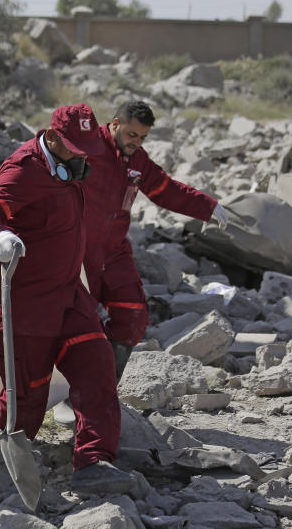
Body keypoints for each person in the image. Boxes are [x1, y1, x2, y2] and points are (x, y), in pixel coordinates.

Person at [0, 103, 136, 495]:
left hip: (67, 293)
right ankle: (6, 459)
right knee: (27, 391)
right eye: (75, 146)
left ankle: (93, 462)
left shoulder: (76, 164)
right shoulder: (22, 170)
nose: (82, 154)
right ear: (52, 136)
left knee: (97, 366)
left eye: (87, 147)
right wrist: (0, 240)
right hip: (24, 303)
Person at [82, 100, 229, 382]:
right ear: (114, 124)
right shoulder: (85, 151)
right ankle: (70, 392)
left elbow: (166, 190)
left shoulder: (137, 161)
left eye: (143, 137)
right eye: (131, 135)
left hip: (113, 254)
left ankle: (102, 391)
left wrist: (206, 207)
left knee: (133, 315)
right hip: (77, 254)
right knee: (76, 322)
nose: (136, 142)